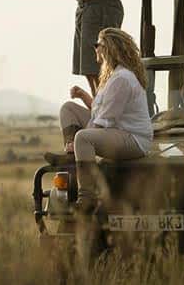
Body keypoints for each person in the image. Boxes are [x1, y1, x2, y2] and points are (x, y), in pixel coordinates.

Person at [44, 28, 153, 213]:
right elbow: (100, 110)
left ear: (108, 48)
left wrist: (83, 135)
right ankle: (71, 153)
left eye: (97, 45)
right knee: (68, 109)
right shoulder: (114, 76)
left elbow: (106, 119)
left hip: (133, 139)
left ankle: (87, 197)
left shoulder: (122, 79)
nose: (94, 49)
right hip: (117, 129)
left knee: (83, 138)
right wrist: (83, 95)